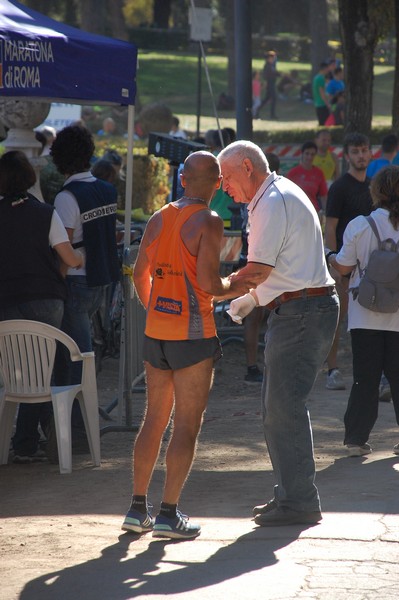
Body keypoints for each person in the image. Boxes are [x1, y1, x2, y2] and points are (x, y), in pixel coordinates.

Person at [121, 151, 254, 539]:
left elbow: (139, 273)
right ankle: (168, 513)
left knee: (154, 419)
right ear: (215, 183)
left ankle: (136, 509)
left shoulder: (160, 215)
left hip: (157, 333)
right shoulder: (210, 221)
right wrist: (240, 285)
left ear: (182, 180)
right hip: (193, 336)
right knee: (186, 426)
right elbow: (212, 284)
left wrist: (155, 310)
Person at [218, 140, 339, 526]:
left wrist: (216, 289)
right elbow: (278, 270)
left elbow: (258, 271)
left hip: (303, 311)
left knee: (283, 409)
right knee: (277, 410)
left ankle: (299, 500)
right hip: (301, 308)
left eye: (226, 177)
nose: (223, 187)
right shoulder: (274, 195)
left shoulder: (272, 201)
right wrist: (250, 300)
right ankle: (291, 495)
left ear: (248, 168)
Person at [0, 151, 84, 463]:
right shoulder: (45, 213)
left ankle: (24, 440)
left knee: (21, 372)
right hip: (46, 298)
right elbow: (68, 256)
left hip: (6, 299)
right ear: (29, 178)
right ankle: (50, 437)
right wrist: (81, 258)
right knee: (50, 366)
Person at [51, 125, 119, 433]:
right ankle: (77, 427)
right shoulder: (106, 189)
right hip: (100, 280)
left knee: (75, 359)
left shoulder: (67, 197)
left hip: (75, 281)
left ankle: (76, 430)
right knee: (82, 355)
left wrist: (55, 284)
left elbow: (64, 248)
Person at [327, 165, 399, 457]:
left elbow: (344, 267)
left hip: (364, 313)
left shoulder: (360, 224)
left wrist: (330, 256)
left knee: (365, 379)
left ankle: (356, 439)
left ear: (376, 192)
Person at [325, 132, 373, 390]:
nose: (361, 155)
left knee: (369, 319)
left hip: (373, 267)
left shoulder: (375, 186)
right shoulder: (339, 187)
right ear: (347, 155)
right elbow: (330, 227)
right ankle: (332, 370)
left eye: (364, 150)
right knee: (338, 318)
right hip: (344, 264)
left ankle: (369, 373)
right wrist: (334, 267)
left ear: (371, 153)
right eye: (355, 151)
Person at [240, 152, 280, 384]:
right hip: (256, 264)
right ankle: (253, 367)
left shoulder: (265, 198)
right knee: (256, 317)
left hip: (260, 263)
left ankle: (256, 366)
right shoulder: (261, 199)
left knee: (261, 318)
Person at [286, 141, 328, 219]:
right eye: (307, 153)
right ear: (302, 154)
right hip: (296, 213)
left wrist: (326, 214)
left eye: (312, 154)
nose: (309, 157)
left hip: (313, 212)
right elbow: (286, 195)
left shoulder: (319, 173)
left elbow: (323, 196)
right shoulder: (293, 173)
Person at [256, 50, 279, 120]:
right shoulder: (267, 66)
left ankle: (257, 110)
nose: (274, 59)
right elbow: (269, 74)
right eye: (272, 58)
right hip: (270, 84)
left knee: (267, 99)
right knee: (273, 98)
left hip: (272, 83)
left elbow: (275, 72)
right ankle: (272, 114)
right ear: (269, 58)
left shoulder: (272, 65)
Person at [312, 61, 332, 126]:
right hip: (322, 104)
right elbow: (322, 93)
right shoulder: (320, 78)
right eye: (328, 68)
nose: (329, 70)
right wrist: (328, 104)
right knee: (324, 124)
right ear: (325, 68)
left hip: (318, 103)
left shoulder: (316, 77)